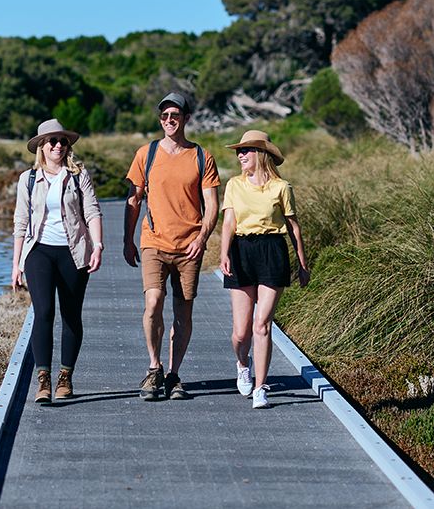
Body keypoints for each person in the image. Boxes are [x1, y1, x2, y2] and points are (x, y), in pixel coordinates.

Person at [123, 91, 220, 401]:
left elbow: (212, 205)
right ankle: (154, 368)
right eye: (164, 116)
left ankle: (174, 374)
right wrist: (127, 239)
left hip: (189, 246)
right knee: (153, 304)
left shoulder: (202, 156)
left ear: (186, 119)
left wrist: (201, 239)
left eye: (175, 115)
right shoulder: (146, 154)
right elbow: (134, 199)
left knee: (183, 313)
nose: (169, 120)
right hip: (154, 241)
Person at [11, 119, 104, 404]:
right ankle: (43, 380)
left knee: (71, 315)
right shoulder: (28, 179)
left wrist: (97, 246)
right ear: (41, 146)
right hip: (39, 251)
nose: (58, 146)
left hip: (73, 252)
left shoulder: (78, 175)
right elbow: (21, 222)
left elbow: (92, 212)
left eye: (63, 141)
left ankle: (65, 376)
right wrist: (15, 265)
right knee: (44, 312)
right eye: (52, 141)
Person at [218, 129, 308, 409]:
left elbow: (293, 226)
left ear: (261, 154)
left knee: (262, 324)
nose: (240, 155)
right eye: (238, 152)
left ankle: (260, 387)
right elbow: (229, 223)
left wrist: (303, 264)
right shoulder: (234, 184)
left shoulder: (282, 187)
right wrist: (223, 253)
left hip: (272, 251)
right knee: (241, 333)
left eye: (246, 150)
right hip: (241, 251)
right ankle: (242, 364)